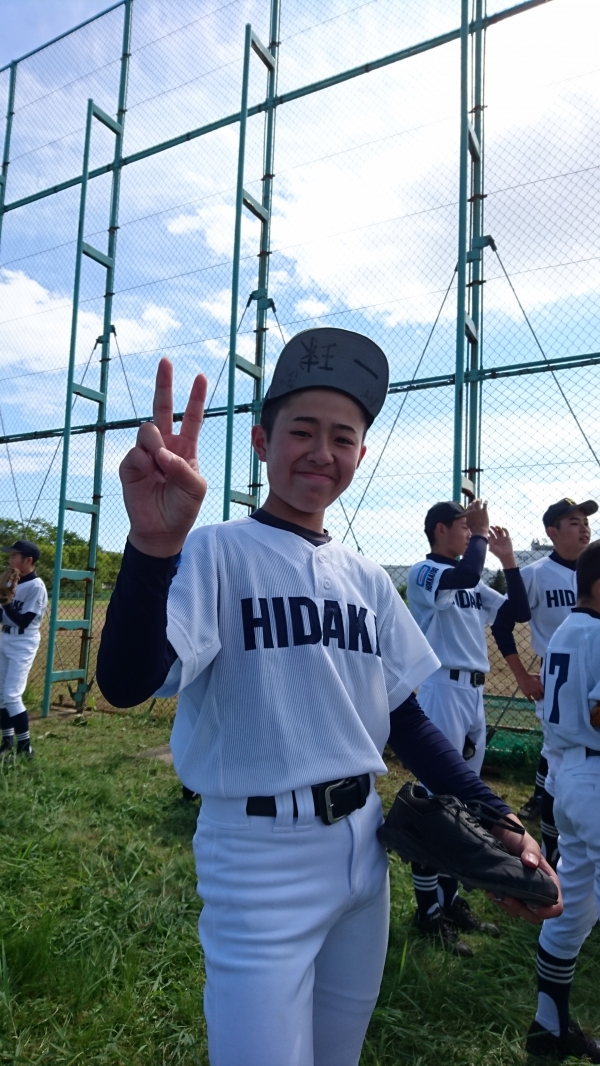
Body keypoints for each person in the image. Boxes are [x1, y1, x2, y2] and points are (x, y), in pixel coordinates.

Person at [96, 328, 560, 1066]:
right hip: (257, 855)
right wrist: (153, 548)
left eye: (342, 437)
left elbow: (403, 717)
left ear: (362, 455)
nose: (321, 451)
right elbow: (126, 683)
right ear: (260, 442)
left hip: (365, 848)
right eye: (301, 431)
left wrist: (496, 814)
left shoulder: (368, 578)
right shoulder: (215, 549)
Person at [406, 500, 531, 953]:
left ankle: (450, 898)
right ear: (441, 530)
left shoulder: (472, 581)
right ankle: (427, 912)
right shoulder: (424, 572)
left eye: (470, 527)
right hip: (442, 688)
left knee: (462, 805)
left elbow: (517, 612)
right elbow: (461, 577)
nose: (470, 532)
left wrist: (508, 560)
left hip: (473, 694)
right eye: (463, 526)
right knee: (435, 801)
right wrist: (480, 536)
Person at [492, 498, 597, 869]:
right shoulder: (536, 573)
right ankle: (555, 852)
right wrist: (521, 675)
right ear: (552, 532)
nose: (584, 528)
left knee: (567, 763)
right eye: (574, 522)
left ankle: (563, 837)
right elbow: (503, 624)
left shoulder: (593, 570)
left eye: (586, 521)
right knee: (563, 758)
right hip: (560, 681)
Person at [526, 539, 600, 1062]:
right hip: (594, 771)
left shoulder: (569, 630)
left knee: (572, 906)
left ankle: (548, 1028)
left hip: (570, 776)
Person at [0, 538, 48, 758]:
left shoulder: (36, 587)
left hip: (23, 643)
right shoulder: (11, 582)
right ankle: (7, 742)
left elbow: (23, 621)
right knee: (1, 694)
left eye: (14, 556)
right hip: (5, 639)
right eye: (9, 556)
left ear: (28, 560)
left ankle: (25, 748)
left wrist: (6, 603)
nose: (10, 560)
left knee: (12, 695)